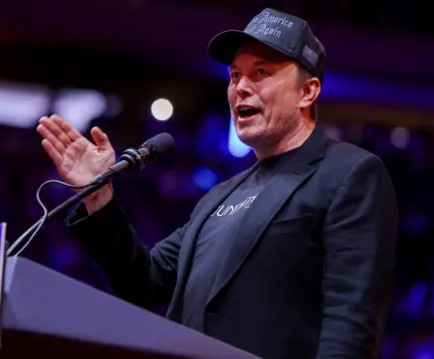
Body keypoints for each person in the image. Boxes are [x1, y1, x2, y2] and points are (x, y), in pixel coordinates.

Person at [36, 7, 398, 359]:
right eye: (235, 75)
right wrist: (98, 196)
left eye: (261, 72)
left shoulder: (349, 173)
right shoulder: (217, 199)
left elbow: (351, 327)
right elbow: (143, 282)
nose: (241, 87)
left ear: (308, 92)